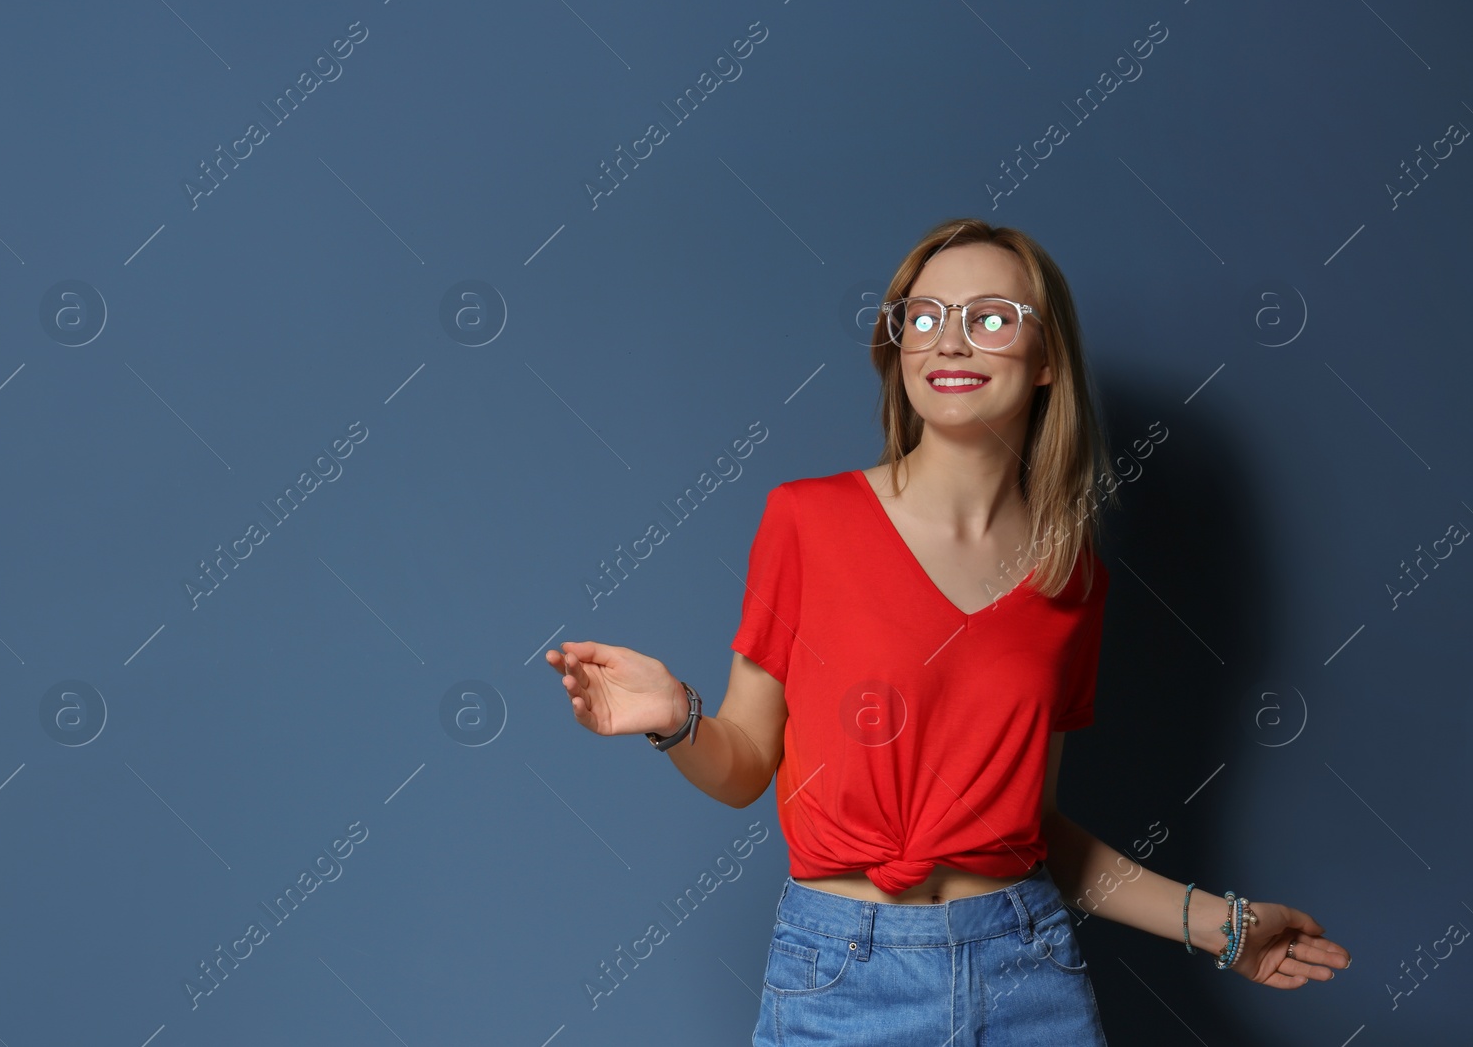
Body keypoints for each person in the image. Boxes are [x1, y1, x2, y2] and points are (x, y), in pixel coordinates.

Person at [546, 218, 1351, 1045]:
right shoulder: (807, 521)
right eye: (923, 318)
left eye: (991, 317)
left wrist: (1220, 925)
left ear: (1047, 361)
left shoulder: (1070, 573)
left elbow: (1032, 832)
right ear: (898, 350)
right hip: (841, 975)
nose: (950, 342)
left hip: (1028, 966)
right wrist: (677, 719)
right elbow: (748, 763)